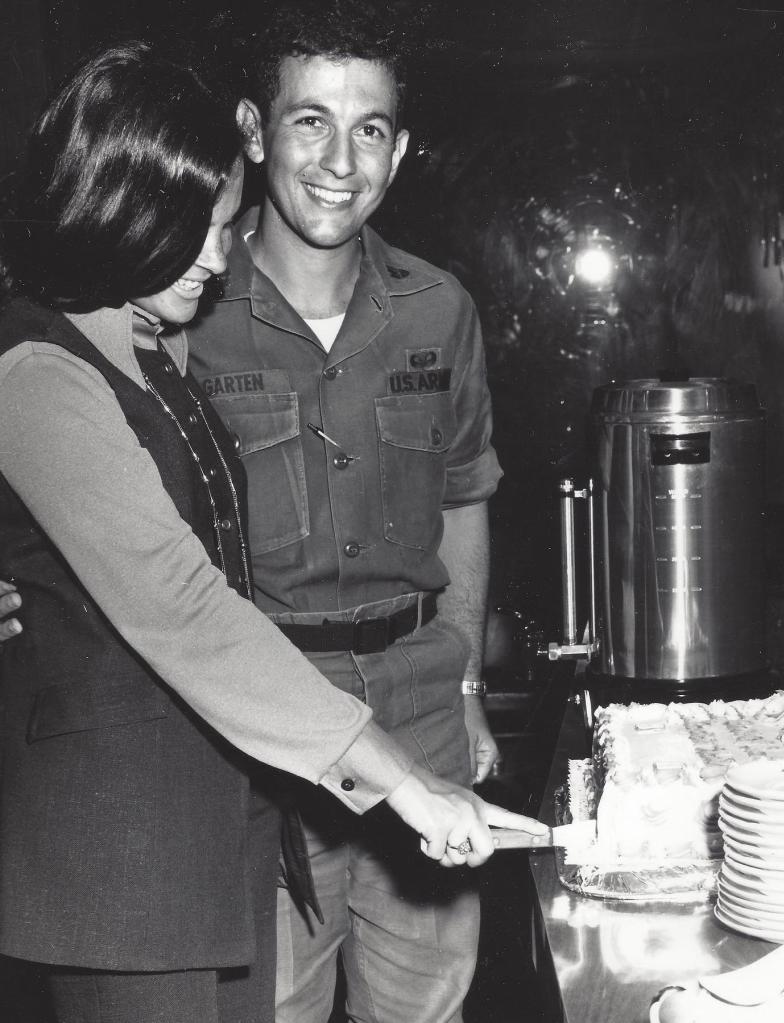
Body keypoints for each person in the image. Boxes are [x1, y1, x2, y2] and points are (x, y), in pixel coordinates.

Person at [0, 40, 545, 1023]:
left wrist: (450, 712)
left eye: (369, 129)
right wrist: (404, 786)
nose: (216, 259)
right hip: (156, 835)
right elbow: (182, 603)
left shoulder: (141, 338)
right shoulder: (77, 353)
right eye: (199, 228)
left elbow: (463, 496)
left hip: (245, 794)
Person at [181, 4, 505, 1020]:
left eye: (369, 128)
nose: (339, 159)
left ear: (400, 149)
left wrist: (463, 691)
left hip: (422, 713)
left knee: (428, 1008)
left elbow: (465, 499)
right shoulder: (185, 306)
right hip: (262, 741)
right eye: (309, 120)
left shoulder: (439, 309)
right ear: (252, 128)